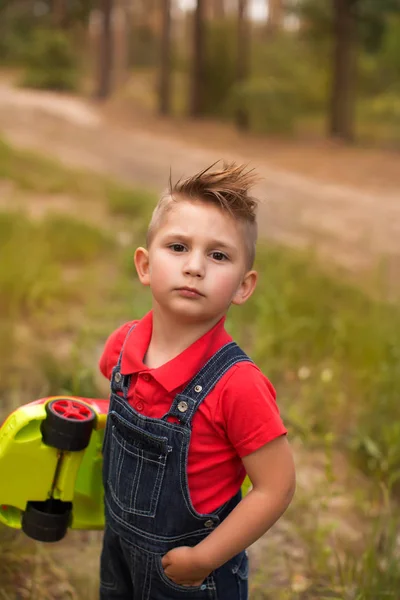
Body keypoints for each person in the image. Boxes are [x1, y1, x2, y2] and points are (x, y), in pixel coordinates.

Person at [98, 162, 296, 600]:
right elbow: (114, 410)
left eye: (218, 255)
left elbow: (276, 486)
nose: (194, 267)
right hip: (119, 552)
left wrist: (204, 558)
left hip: (190, 576)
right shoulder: (123, 345)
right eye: (178, 246)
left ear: (243, 287)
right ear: (145, 265)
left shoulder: (238, 385)